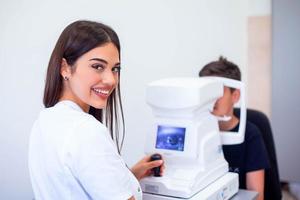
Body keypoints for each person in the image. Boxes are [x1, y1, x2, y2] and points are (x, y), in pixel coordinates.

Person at [28, 20, 163, 200]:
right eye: (97, 66)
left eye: (115, 69)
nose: (111, 80)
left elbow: (73, 185)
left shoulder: (44, 121)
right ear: (65, 68)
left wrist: (129, 176)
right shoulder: (87, 131)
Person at [199, 56, 269, 200]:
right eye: (207, 92)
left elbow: (257, 196)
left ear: (235, 96)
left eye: (217, 91)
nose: (210, 99)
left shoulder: (250, 135)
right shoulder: (198, 132)